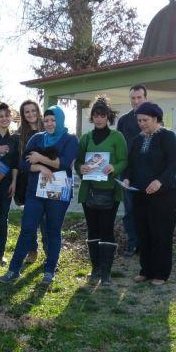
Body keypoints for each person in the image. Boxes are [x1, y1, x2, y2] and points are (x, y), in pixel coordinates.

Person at [0, 105, 78, 285]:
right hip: (35, 192)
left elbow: (64, 164)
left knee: (53, 231)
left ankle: (49, 271)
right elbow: (23, 163)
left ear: (60, 121)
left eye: (53, 120)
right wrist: (41, 167)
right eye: (47, 120)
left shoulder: (70, 139)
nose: (49, 124)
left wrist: (40, 159)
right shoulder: (36, 138)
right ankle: (14, 269)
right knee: (27, 229)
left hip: (58, 193)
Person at [122, 101, 176, 286]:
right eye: (139, 120)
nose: (141, 123)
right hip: (140, 194)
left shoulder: (168, 136)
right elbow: (129, 164)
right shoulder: (137, 140)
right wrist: (126, 179)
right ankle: (145, 270)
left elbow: (174, 163)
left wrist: (159, 181)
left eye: (145, 120)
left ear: (156, 119)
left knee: (161, 234)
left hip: (165, 195)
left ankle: (161, 274)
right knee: (143, 233)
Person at [75, 97, 128, 286]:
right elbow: (78, 162)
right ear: (92, 117)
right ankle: (95, 268)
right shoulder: (86, 138)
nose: (99, 119)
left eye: (102, 115)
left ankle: (106, 272)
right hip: (89, 192)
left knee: (107, 229)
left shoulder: (117, 137)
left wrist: (114, 167)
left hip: (110, 192)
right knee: (93, 229)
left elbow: (124, 160)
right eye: (96, 115)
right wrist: (81, 168)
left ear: (108, 117)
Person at [14, 99, 46, 265]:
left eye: (33, 110)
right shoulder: (19, 135)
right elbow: (19, 161)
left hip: (47, 178)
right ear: (23, 115)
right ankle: (32, 250)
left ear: (38, 111)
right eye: (27, 111)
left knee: (47, 219)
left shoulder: (48, 129)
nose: (31, 114)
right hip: (27, 180)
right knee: (30, 219)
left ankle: (50, 252)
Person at [117, 84, 148, 256]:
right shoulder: (123, 121)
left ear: (145, 98)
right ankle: (133, 243)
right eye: (133, 98)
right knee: (130, 211)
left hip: (148, 174)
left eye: (139, 97)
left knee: (147, 210)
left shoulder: (154, 118)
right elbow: (120, 149)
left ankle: (146, 244)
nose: (136, 101)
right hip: (127, 174)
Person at [0, 103, 19, 266]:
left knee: (2, 218)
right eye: (1, 116)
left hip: (6, 182)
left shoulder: (15, 138)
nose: (4, 119)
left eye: (7, 116)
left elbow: (15, 163)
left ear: (11, 117)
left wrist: (14, 182)